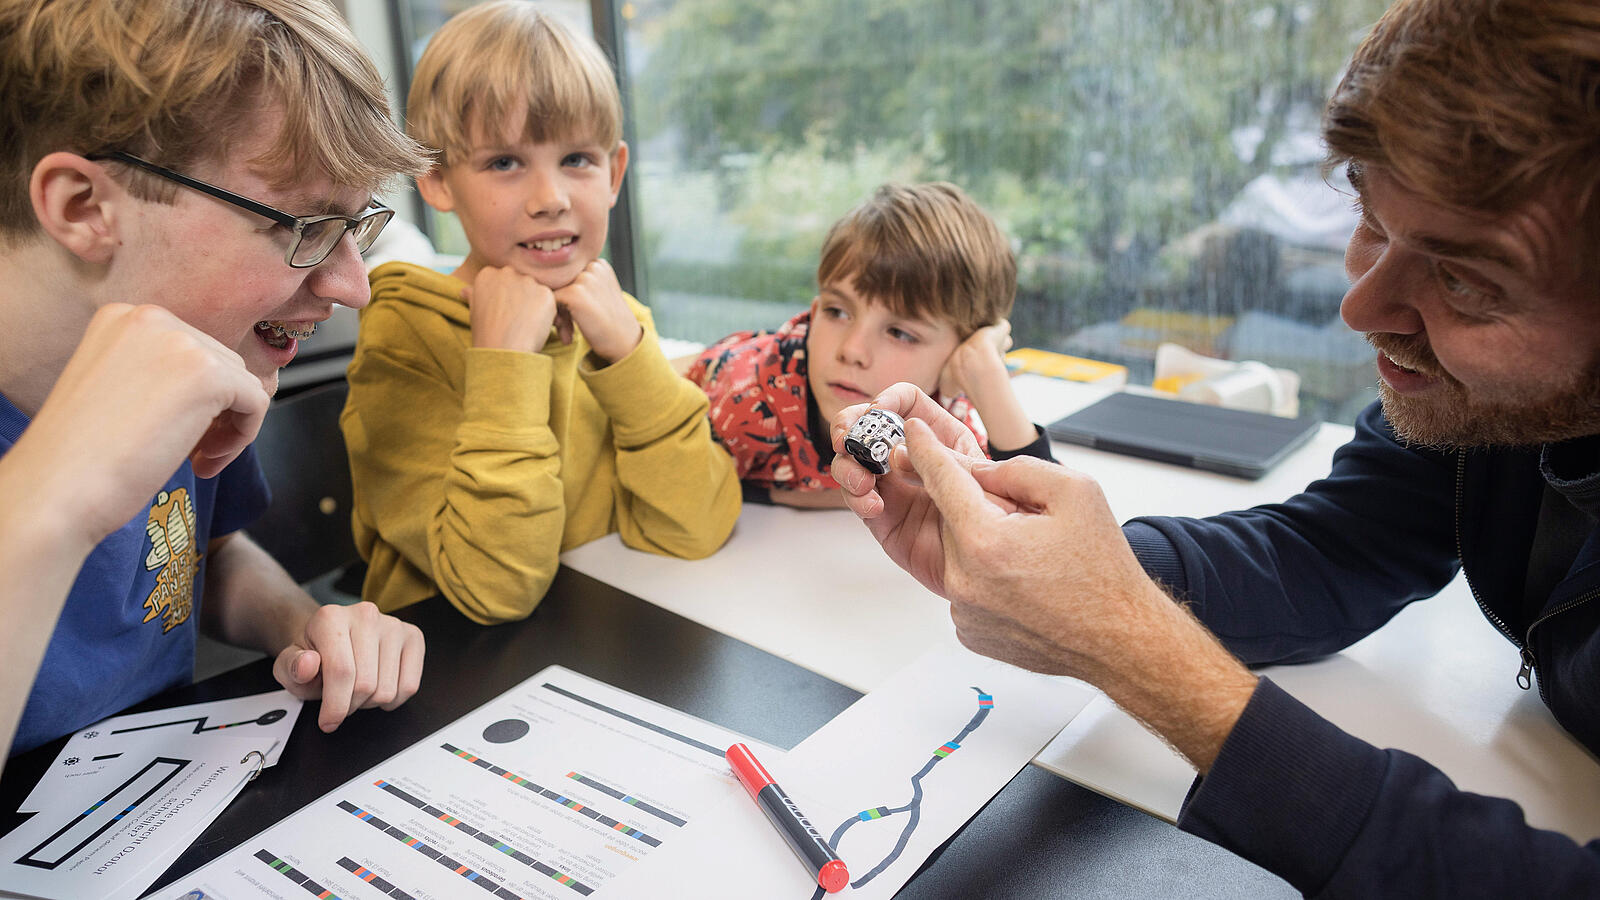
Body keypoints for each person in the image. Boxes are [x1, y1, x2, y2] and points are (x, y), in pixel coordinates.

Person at [831, 0, 1600, 893]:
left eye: (1466, 279)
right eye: (1371, 221)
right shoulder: (1482, 407)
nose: (1363, 309)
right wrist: (1067, 565)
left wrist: (1131, 646)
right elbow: (1340, 545)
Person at [0, 0, 431, 767]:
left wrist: (299, 622)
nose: (352, 286)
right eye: (300, 226)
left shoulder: (203, 351)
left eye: (353, 226)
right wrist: (52, 504)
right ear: (83, 207)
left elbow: (207, 553)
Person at [342, 0, 740, 625]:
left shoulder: (616, 317)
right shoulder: (405, 331)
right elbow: (493, 592)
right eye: (504, 163)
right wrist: (503, 363)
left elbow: (697, 527)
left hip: (598, 645)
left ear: (615, 172)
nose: (550, 199)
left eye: (577, 159)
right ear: (438, 181)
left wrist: (631, 356)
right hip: (458, 677)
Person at [686, 182, 1053, 508]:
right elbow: (683, 493)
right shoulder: (741, 399)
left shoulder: (947, 415)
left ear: (957, 356)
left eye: (900, 333)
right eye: (836, 311)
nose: (852, 351)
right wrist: (807, 498)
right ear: (814, 311)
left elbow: (1044, 520)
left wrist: (985, 371)